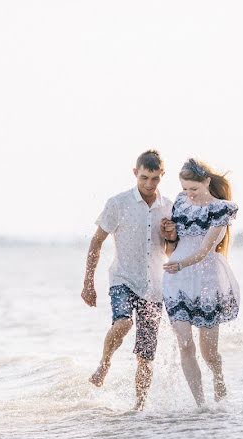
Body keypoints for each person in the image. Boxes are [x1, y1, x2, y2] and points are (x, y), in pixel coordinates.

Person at [81, 149, 179, 411]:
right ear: (135, 173)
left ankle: (139, 408)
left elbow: (171, 253)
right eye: (144, 177)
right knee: (123, 322)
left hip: (154, 288)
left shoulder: (169, 207)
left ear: (162, 176)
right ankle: (105, 363)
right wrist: (88, 283)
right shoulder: (118, 204)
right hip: (122, 279)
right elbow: (96, 242)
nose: (149, 184)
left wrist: (170, 237)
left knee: (146, 358)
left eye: (155, 179)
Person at [162, 158, 240, 407]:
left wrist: (183, 263)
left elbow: (206, 249)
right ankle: (201, 405)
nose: (189, 194)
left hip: (206, 278)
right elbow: (172, 246)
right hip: (177, 279)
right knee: (185, 344)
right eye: (185, 188)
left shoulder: (221, 209)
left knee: (209, 352)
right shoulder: (181, 202)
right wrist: (170, 236)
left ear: (206, 182)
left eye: (193, 189)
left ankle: (218, 378)